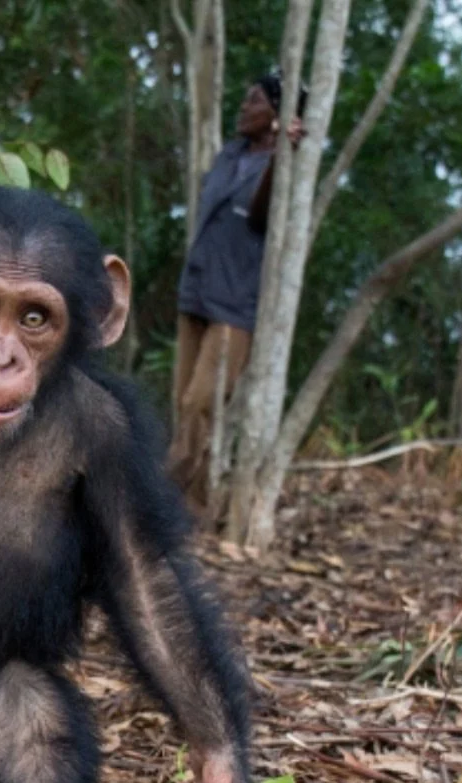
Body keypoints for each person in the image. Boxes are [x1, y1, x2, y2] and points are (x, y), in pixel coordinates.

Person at [169, 71, 305, 512]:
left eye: (254, 102)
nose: (244, 108)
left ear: (276, 116)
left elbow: (264, 215)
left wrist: (284, 154)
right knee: (181, 404)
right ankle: (192, 511)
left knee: (200, 404)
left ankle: (160, 497)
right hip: (197, 291)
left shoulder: (282, 166)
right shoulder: (229, 155)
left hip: (235, 305)